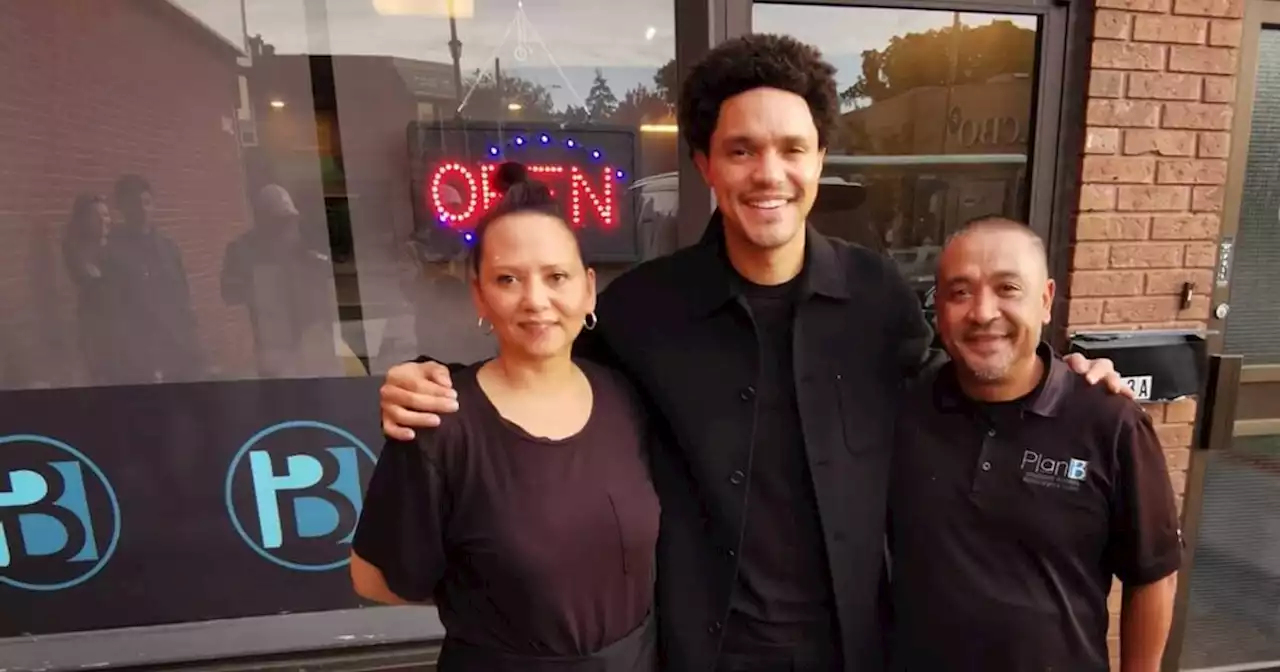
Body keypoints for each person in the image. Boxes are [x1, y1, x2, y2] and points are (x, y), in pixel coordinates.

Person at [377, 35, 1127, 672]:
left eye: (792, 148)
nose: (769, 173)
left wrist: (1063, 376)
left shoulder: (877, 296)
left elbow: (962, 388)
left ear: (819, 157)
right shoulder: (643, 309)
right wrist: (437, 383)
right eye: (742, 150)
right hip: (694, 654)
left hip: (856, 649)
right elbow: (544, 371)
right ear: (705, 164)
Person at [349, 176, 660, 672]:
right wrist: (487, 603)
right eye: (508, 279)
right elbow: (372, 577)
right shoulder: (441, 420)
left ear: (589, 288)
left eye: (557, 276)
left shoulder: (628, 398)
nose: (536, 300)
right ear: (479, 296)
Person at [888, 217, 1181, 671]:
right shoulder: (903, 409)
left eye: (1007, 289)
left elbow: (1154, 575)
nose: (983, 312)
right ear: (939, 309)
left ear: (1045, 301)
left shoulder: (1110, 422)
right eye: (960, 292)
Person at [99, 174, 203, 384]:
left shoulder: (168, 248)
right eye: (134, 204)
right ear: (122, 208)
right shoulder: (112, 253)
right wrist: (142, 361)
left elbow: (182, 297)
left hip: (180, 350)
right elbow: (115, 313)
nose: (143, 209)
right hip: (142, 358)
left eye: (147, 202)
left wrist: (193, 343)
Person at [62, 194, 113, 384]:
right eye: (95, 215)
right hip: (91, 339)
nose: (103, 221)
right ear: (83, 221)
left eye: (106, 215)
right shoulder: (74, 256)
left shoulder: (119, 253)